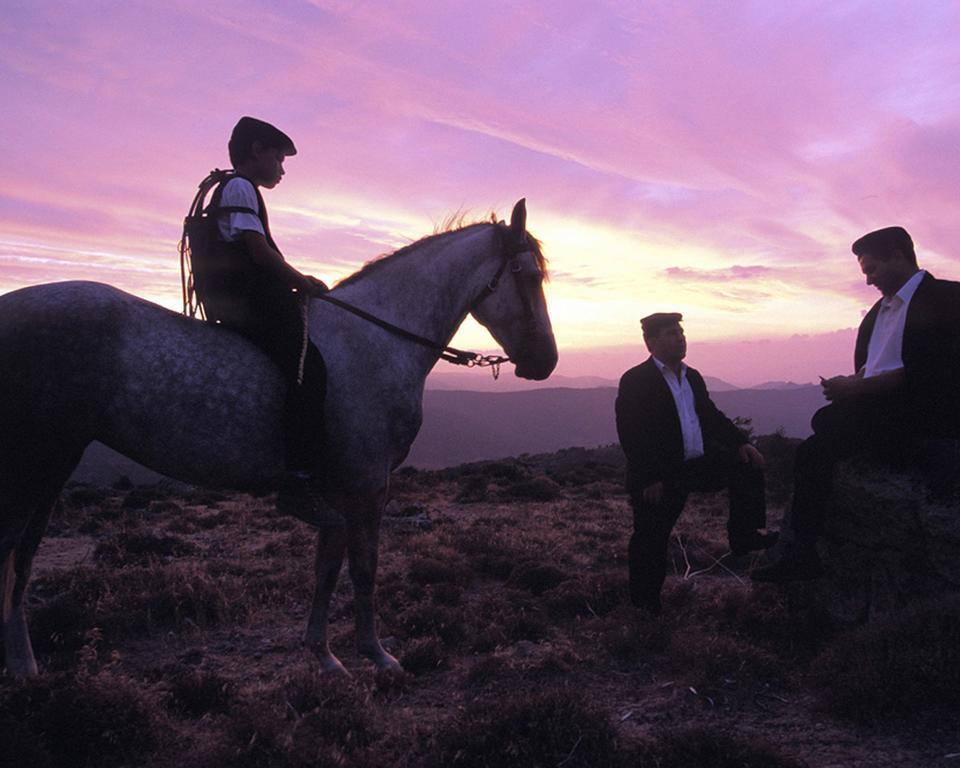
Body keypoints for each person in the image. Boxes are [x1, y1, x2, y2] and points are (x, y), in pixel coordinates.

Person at [753, 226, 960, 582]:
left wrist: (857, 390)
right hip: (879, 412)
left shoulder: (947, 299)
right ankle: (801, 550)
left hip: (925, 419)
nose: (868, 281)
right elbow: (879, 362)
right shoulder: (880, 311)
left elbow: (931, 372)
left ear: (897, 255)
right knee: (820, 435)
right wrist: (852, 383)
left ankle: (801, 551)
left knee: (820, 440)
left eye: (872, 269)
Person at [199, 116, 335, 527]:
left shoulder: (231, 187)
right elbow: (257, 251)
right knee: (309, 371)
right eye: (278, 156)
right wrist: (302, 281)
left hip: (239, 302)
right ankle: (297, 478)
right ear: (256, 150)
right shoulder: (240, 186)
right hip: (250, 305)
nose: (282, 167)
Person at [616, 312, 776, 615]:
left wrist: (741, 442)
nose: (679, 338)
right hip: (659, 475)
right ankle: (644, 607)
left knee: (747, 466)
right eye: (669, 333)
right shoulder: (636, 380)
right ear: (650, 342)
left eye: (679, 332)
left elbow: (710, 416)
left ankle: (744, 535)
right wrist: (649, 477)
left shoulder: (692, 376)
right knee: (650, 539)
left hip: (695, 464)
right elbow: (630, 431)